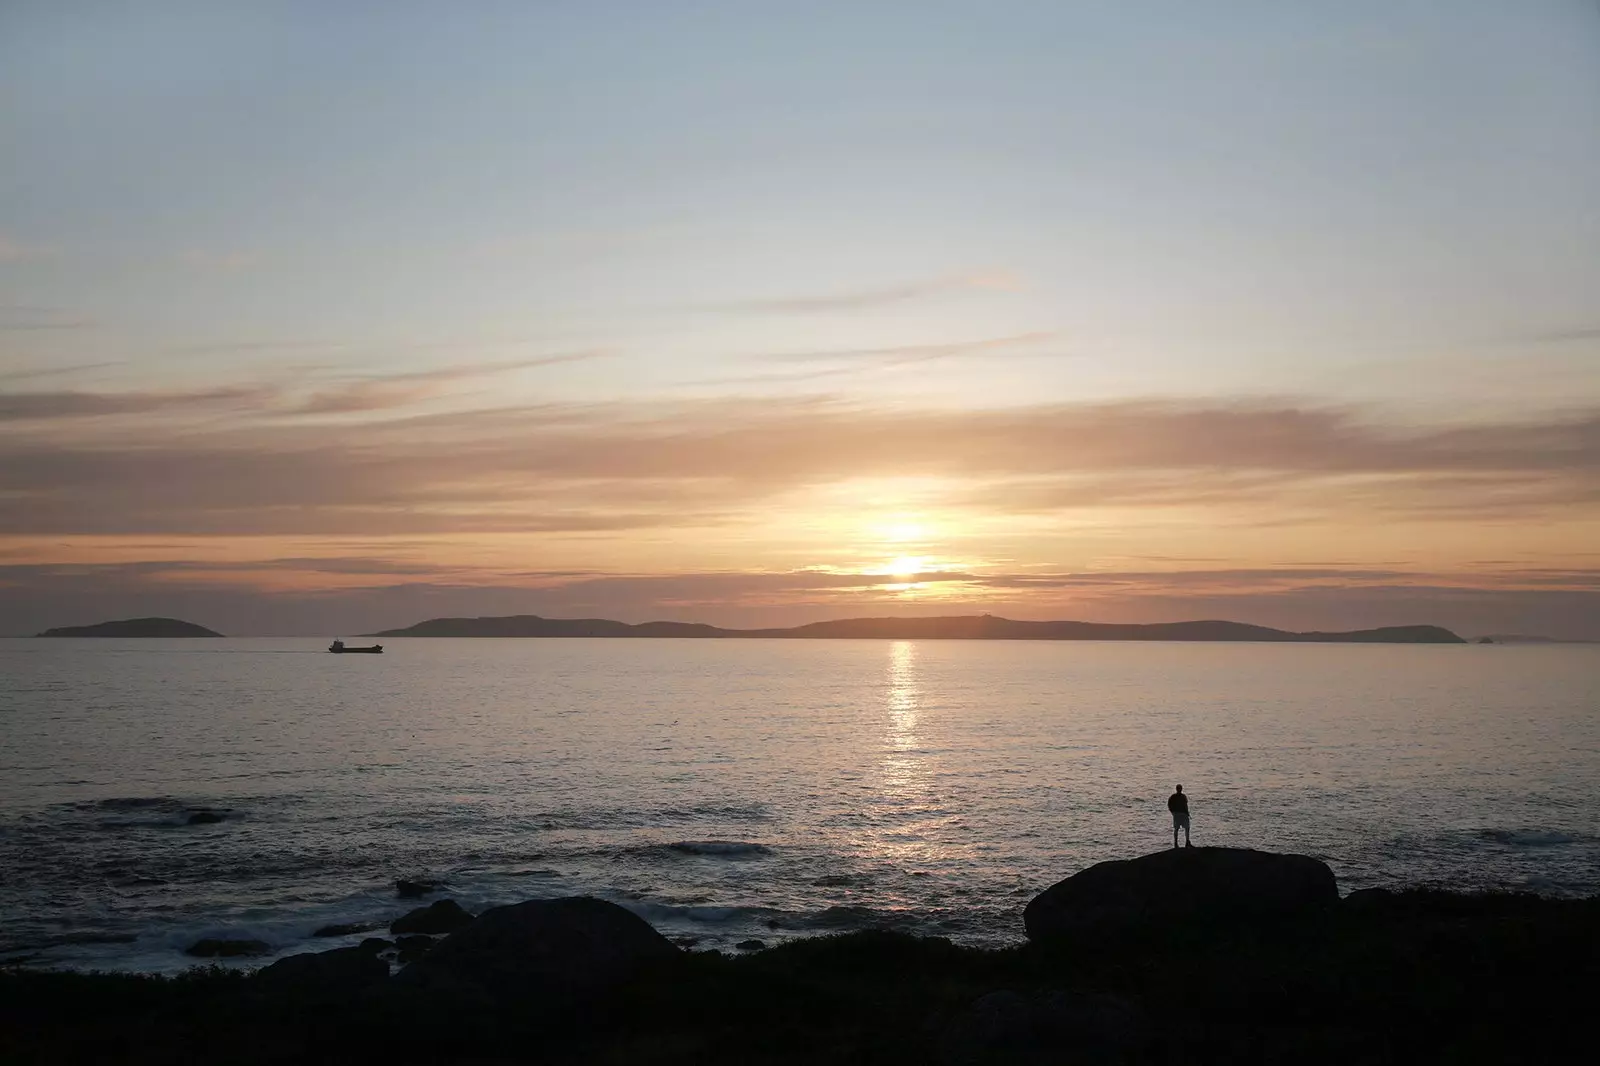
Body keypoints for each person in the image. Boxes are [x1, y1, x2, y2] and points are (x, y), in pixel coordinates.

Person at [1167, 784, 1191, 848]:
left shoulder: (1173, 797)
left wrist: (1173, 812)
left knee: (1178, 829)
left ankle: (1177, 843)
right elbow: (1185, 805)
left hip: (1178, 814)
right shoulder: (1183, 796)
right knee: (1186, 828)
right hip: (1181, 814)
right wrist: (1187, 813)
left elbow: (1169, 805)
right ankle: (1186, 842)